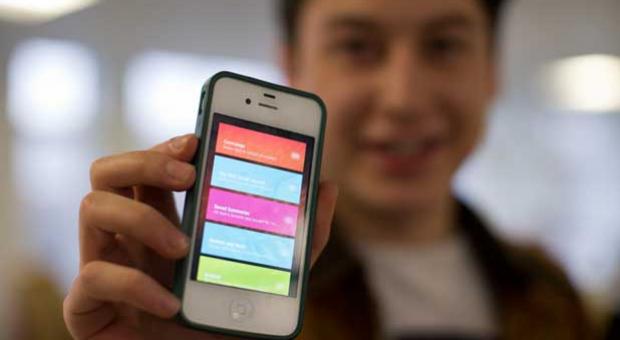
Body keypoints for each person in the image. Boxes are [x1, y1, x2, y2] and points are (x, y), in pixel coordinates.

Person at [64, 0, 593, 339]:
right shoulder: (196, 299)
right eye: (357, 47)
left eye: (444, 46)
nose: (403, 97)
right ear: (292, 67)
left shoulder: (549, 291)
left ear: (491, 72)